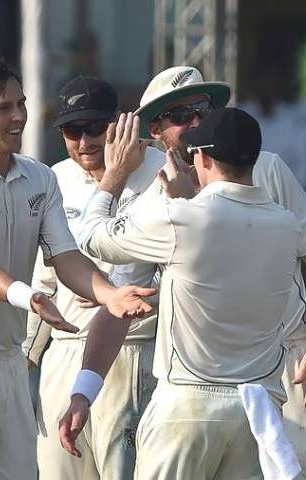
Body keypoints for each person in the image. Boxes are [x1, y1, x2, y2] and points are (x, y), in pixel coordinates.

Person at [0, 55, 157, 480]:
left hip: (8, 361)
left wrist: (109, 295)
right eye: (3, 108)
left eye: (20, 104)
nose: (18, 117)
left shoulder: (39, 178)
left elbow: (65, 256)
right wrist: (31, 298)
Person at [61, 108, 304, 479]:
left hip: (188, 406)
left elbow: (93, 237)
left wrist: (114, 176)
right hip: (256, 411)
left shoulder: (183, 219)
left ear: (202, 157)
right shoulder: (286, 226)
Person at [131, 65, 306, 468]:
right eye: (180, 116)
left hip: (280, 367)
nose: (195, 123)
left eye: (203, 111)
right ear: (155, 129)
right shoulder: (145, 187)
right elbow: (126, 275)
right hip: (187, 377)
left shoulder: (267, 167)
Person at [23, 76, 162, 479]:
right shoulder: (54, 179)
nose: (84, 142)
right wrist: (26, 360)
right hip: (64, 351)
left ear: (120, 123)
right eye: (72, 130)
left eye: (94, 129)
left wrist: (114, 295)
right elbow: (43, 279)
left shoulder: (161, 174)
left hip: (132, 352)